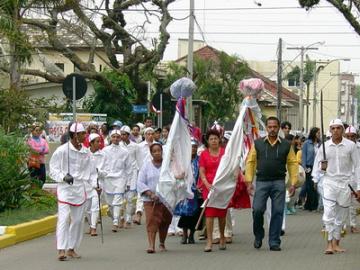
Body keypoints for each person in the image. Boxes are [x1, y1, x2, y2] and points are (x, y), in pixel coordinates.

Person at [245, 116, 298, 251]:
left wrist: (293, 183)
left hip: (279, 182)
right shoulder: (258, 143)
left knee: (278, 212)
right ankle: (258, 235)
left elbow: (292, 163)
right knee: (257, 210)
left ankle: (274, 241)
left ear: (279, 128)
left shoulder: (286, 145)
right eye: (270, 127)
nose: (272, 129)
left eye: (275, 127)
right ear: (266, 128)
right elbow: (250, 162)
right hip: (262, 182)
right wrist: (249, 181)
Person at [312, 119, 360, 254]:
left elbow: (357, 166)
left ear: (342, 130)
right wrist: (317, 178)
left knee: (341, 216)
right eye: (333, 128)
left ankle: (336, 242)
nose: (335, 131)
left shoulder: (351, 146)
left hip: (346, 184)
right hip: (329, 183)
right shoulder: (324, 147)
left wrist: (359, 187)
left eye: (338, 128)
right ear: (330, 130)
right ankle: (328, 244)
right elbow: (317, 166)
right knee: (328, 214)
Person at [49, 122, 90, 261]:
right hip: (65, 188)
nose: (85, 136)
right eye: (82, 133)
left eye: (85, 133)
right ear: (75, 135)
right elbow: (53, 169)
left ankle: (71, 248)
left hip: (79, 189)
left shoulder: (86, 151)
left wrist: (95, 184)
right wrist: (63, 177)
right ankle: (61, 249)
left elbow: (90, 170)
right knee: (64, 218)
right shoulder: (62, 150)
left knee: (78, 221)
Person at [137, 143, 172, 253]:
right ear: (151, 153)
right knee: (151, 221)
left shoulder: (168, 165)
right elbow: (140, 182)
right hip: (150, 200)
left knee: (165, 221)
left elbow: (174, 179)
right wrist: (150, 193)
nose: (157, 153)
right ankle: (151, 245)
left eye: (159, 150)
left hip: (166, 200)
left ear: (162, 151)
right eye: (154, 151)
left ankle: (162, 243)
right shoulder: (146, 166)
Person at [198, 129, 227, 252]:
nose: (214, 141)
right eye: (211, 139)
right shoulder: (204, 154)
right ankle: (209, 240)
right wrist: (206, 183)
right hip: (209, 187)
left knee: (221, 214)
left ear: (219, 139)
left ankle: (222, 236)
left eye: (216, 138)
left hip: (222, 187)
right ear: (208, 141)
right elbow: (202, 171)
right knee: (209, 214)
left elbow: (229, 168)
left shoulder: (225, 153)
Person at [102, 129, 132, 232]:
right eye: (113, 137)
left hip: (120, 178)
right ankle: (114, 216)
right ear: (110, 138)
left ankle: (115, 222)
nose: (115, 139)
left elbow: (128, 168)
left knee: (117, 201)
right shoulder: (105, 150)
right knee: (110, 203)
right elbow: (101, 165)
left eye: (117, 137)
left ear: (120, 138)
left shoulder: (125, 152)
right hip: (108, 179)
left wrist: (128, 182)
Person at [176, 139, 201, 244]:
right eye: (192, 147)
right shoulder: (183, 161)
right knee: (185, 213)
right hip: (185, 190)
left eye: (195, 147)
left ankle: (191, 235)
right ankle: (184, 234)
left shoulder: (200, 160)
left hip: (197, 191)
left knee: (195, 214)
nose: (193, 149)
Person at [133, 127, 155, 225]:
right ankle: (138, 213)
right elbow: (136, 159)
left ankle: (153, 216)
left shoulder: (158, 145)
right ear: (144, 135)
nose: (150, 135)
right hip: (143, 172)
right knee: (141, 193)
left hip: (155, 172)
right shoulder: (139, 146)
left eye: (151, 134)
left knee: (154, 193)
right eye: (148, 134)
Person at [119, 125, 139, 228]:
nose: (122, 136)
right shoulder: (118, 146)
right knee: (121, 197)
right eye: (121, 134)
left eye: (124, 134)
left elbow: (138, 160)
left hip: (133, 173)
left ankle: (128, 219)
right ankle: (121, 218)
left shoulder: (135, 146)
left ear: (128, 135)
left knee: (130, 198)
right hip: (121, 174)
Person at [85, 133, 103, 236]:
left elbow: (106, 171)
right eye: (97, 141)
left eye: (100, 141)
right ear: (91, 143)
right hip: (86, 184)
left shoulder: (102, 155)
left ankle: (93, 227)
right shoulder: (84, 154)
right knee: (87, 207)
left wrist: (99, 171)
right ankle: (91, 224)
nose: (99, 143)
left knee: (95, 206)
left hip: (98, 183)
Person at [344, 125, 360, 233]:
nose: (350, 139)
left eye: (352, 136)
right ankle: (342, 226)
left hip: (357, 178)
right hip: (345, 178)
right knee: (343, 203)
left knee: (355, 203)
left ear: (356, 136)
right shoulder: (342, 146)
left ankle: (353, 225)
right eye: (348, 137)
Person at [300, 127, 321, 211]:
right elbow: (303, 156)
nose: (319, 134)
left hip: (318, 167)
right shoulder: (307, 143)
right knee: (310, 186)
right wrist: (304, 167)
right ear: (313, 133)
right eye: (318, 133)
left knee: (316, 186)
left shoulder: (320, 144)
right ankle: (311, 205)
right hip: (309, 166)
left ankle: (311, 204)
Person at [27, 122, 49, 187]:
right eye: (36, 130)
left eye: (39, 130)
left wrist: (39, 151)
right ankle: (34, 194)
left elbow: (47, 150)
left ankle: (39, 190)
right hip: (33, 162)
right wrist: (41, 149)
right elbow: (32, 149)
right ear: (32, 131)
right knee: (34, 179)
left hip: (41, 162)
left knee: (43, 178)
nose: (38, 132)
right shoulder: (30, 140)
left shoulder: (43, 140)